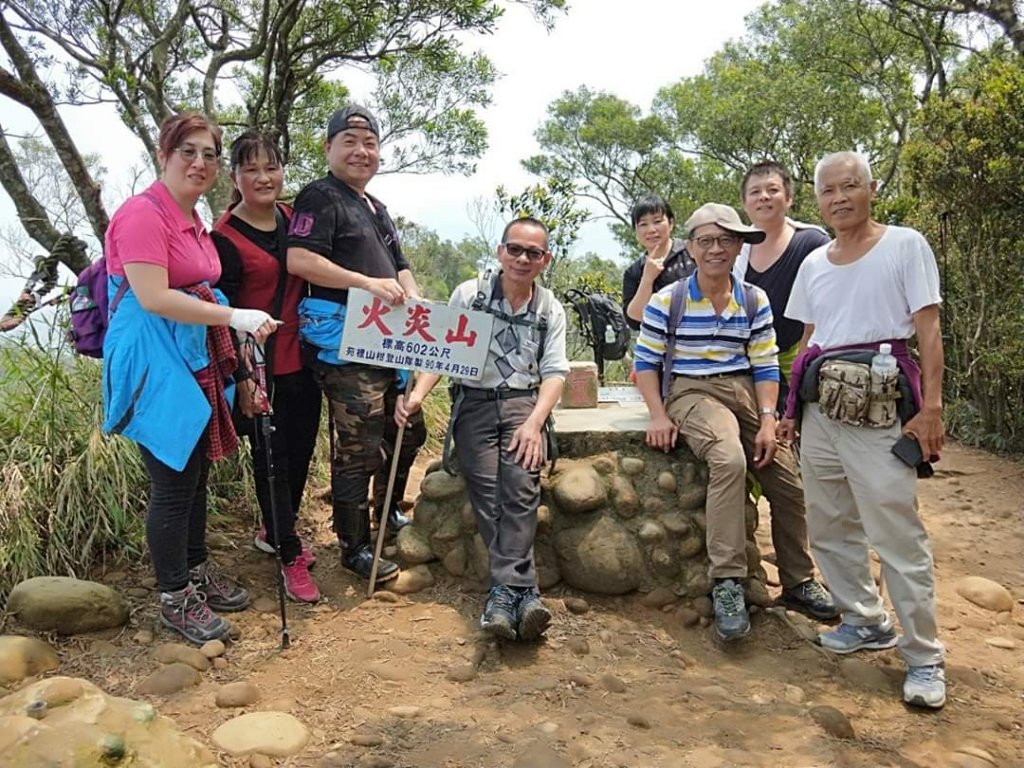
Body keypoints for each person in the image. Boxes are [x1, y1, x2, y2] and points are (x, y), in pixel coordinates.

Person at [103, 112, 279, 644]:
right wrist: (235, 318)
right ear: (164, 155)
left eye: (209, 154)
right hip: (151, 359)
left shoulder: (193, 218)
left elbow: (197, 289)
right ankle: (174, 597)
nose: (200, 162)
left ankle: (195, 573)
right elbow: (154, 296)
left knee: (196, 472)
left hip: (191, 356)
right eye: (189, 151)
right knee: (173, 482)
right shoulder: (142, 214)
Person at [781, 151, 947, 709]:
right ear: (819, 201)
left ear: (872, 189)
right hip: (820, 408)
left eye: (850, 186)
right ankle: (864, 620)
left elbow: (928, 329)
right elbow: (809, 340)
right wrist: (790, 411)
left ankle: (924, 657)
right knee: (828, 524)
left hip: (881, 403)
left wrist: (932, 408)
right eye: (829, 191)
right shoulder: (814, 264)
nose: (840, 197)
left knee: (896, 530)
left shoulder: (905, 244)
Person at [633, 203, 834, 642]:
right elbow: (645, 363)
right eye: (706, 240)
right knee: (727, 459)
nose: (716, 249)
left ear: (740, 245)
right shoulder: (670, 300)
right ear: (691, 247)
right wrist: (658, 413)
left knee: (787, 477)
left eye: (726, 240)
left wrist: (768, 419)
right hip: (691, 390)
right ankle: (728, 582)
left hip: (744, 390)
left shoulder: (753, 299)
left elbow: (764, 364)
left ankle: (798, 581)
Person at [395, 217, 569, 641]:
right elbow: (442, 353)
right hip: (473, 404)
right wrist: (417, 396)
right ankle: (523, 594)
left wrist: (534, 423)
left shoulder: (549, 307)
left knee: (521, 485)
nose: (522, 259)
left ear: (545, 260)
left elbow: (555, 372)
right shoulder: (469, 296)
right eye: (515, 249)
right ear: (500, 252)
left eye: (533, 253)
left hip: (523, 404)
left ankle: (502, 597)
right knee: (488, 489)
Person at [286, 104, 426, 582]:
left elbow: (401, 263)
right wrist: (364, 283)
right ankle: (354, 546)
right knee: (359, 444)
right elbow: (301, 260)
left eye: (369, 144)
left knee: (409, 430)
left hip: (390, 341)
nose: (361, 152)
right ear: (328, 148)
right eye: (349, 142)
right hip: (343, 344)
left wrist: (411, 293)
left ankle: (387, 512)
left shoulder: (375, 206)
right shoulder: (319, 198)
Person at [212, 131, 321, 603]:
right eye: (250, 168)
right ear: (234, 176)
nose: (263, 177)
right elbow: (222, 314)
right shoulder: (223, 238)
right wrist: (240, 379)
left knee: (298, 454)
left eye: (272, 167)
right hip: (257, 368)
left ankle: (274, 529)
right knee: (271, 461)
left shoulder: (294, 220)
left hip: (302, 359)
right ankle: (289, 552)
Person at [736, 161, 830, 410]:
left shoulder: (813, 242)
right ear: (745, 203)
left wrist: (805, 357)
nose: (764, 197)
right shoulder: (735, 248)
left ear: (788, 198)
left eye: (772, 190)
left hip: (802, 354)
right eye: (755, 192)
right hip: (749, 359)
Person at [621, 194, 696, 331]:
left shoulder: (693, 253)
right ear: (636, 231)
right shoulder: (633, 272)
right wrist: (647, 278)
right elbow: (634, 319)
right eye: (643, 224)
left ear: (671, 223)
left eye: (657, 221)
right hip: (658, 347)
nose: (651, 230)